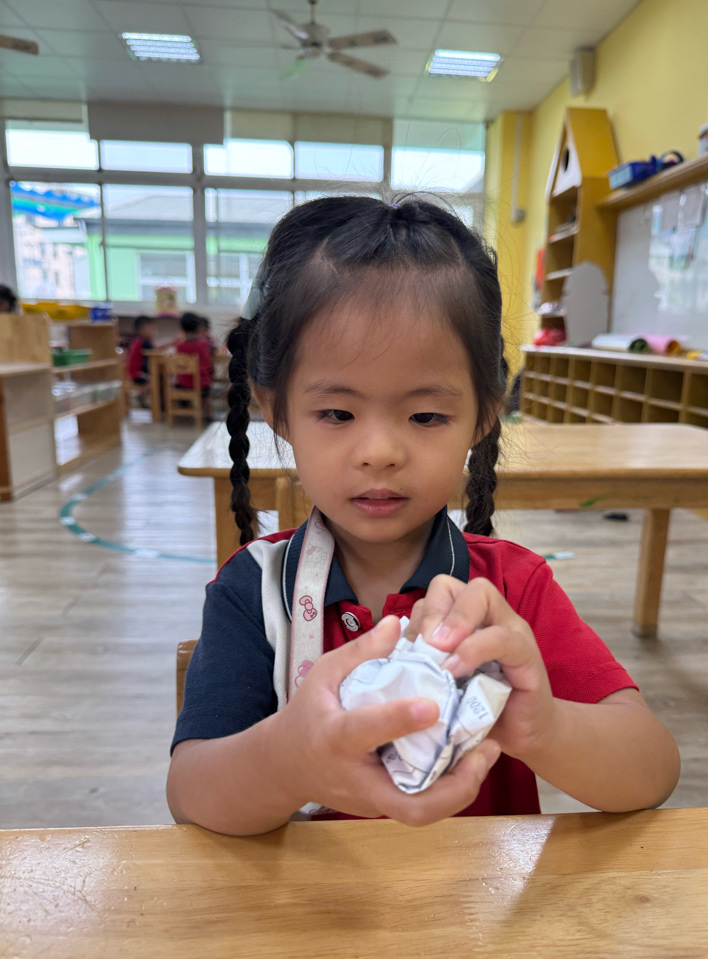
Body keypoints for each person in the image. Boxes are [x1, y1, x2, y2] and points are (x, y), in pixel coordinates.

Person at [167, 197, 680, 836]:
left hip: (481, 896)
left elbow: (653, 769)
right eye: (337, 413)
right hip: (307, 898)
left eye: (426, 416)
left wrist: (545, 727)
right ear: (277, 411)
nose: (380, 452)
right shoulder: (256, 589)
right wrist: (289, 758)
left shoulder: (511, 590)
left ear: (484, 414)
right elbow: (190, 794)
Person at [127, 315, 156, 385]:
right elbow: (155, 351)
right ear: (141, 330)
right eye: (151, 329)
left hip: (134, 374)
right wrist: (172, 342)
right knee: (157, 378)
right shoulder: (144, 343)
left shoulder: (137, 340)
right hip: (138, 375)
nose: (153, 331)